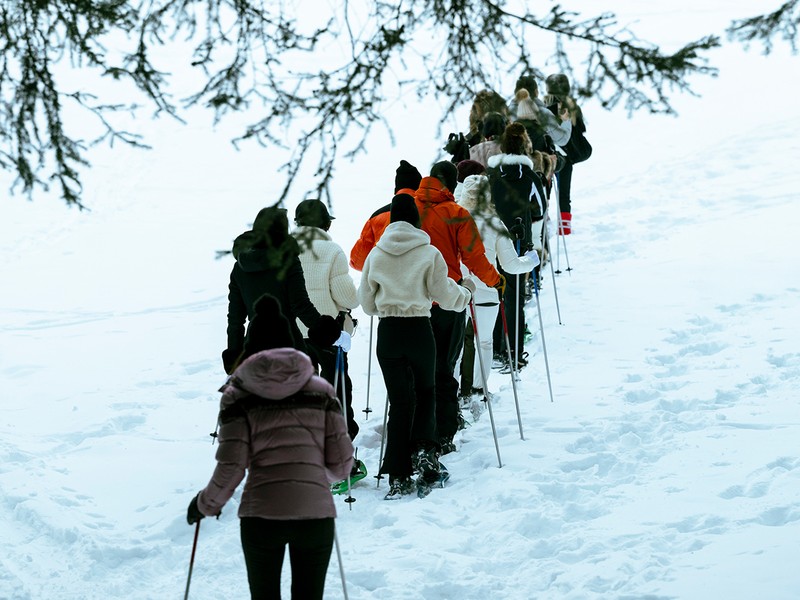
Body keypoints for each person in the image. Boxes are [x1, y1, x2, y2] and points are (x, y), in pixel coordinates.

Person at [187, 293, 353, 600]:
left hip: (262, 517)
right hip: (315, 517)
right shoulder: (321, 392)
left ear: (252, 349)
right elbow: (342, 465)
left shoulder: (237, 395)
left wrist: (204, 504)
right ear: (291, 345)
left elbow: (232, 466)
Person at [358, 194, 473, 499]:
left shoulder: (376, 255)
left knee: (400, 401)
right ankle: (425, 451)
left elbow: (366, 304)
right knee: (426, 392)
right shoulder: (428, 252)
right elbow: (446, 296)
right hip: (420, 328)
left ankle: (397, 473)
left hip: (389, 333)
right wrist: (466, 293)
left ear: (392, 220)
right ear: (416, 220)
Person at [414, 161, 502, 454]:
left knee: (418, 368)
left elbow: (368, 253)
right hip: (447, 300)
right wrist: (495, 280)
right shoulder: (456, 214)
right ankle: (444, 430)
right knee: (444, 368)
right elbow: (474, 256)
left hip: (412, 302)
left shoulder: (403, 209)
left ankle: (418, 427)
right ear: (453, 186)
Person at [458, 174, 539, 396]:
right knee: (483, 342)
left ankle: (453, 392)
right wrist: (531, 260)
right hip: (486, 293)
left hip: (456, 291)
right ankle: (479, 387)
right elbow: (511, 266)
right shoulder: (495, 224)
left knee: (456, 347)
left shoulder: (455, 220)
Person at [223, 206, 324, 374]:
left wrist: (234, 353)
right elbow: (300, 304)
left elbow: (235, 319)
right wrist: (327, 331)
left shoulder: (240, 267)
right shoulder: (289, 261)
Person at [292, 199, 360, 442]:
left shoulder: (281, 249)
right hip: (327, 330)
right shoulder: (332, 251)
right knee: (336, 387)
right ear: (325, 225)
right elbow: (347, 298)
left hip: (291, 332)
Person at [487, 122, 545, 369]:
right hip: (520, 238)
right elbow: (540, 209)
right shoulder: (529, 175)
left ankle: (496, 348)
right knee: (514, 296)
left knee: (495, 290)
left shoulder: (491, 174)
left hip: (493, 236)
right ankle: (513, 351)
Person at [349, 160, 423, 271]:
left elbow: (359, 262)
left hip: (382, 277)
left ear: (396, 189)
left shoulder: (377, 216)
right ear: (419, 187)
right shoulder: (429, 211)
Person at [544, 73, 587, 235]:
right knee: (564, 193)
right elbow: (581, 128)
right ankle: (564, 228)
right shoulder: (572, 106)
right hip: (566, 156)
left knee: (545, 189)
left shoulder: (544, 106)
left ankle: (543, 219)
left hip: (547, 154)